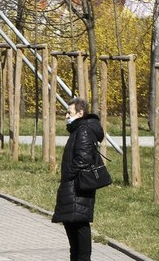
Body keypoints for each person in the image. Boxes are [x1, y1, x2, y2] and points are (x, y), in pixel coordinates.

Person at [53, 97, 104, 261]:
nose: (66, 115)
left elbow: (83, 159)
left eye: (69, 112)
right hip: (73, 189)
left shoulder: (83, 130)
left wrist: (68, 175)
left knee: (80, 240)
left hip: (77, 188)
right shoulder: (78, 130)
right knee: (74, 239)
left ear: (80, 113)